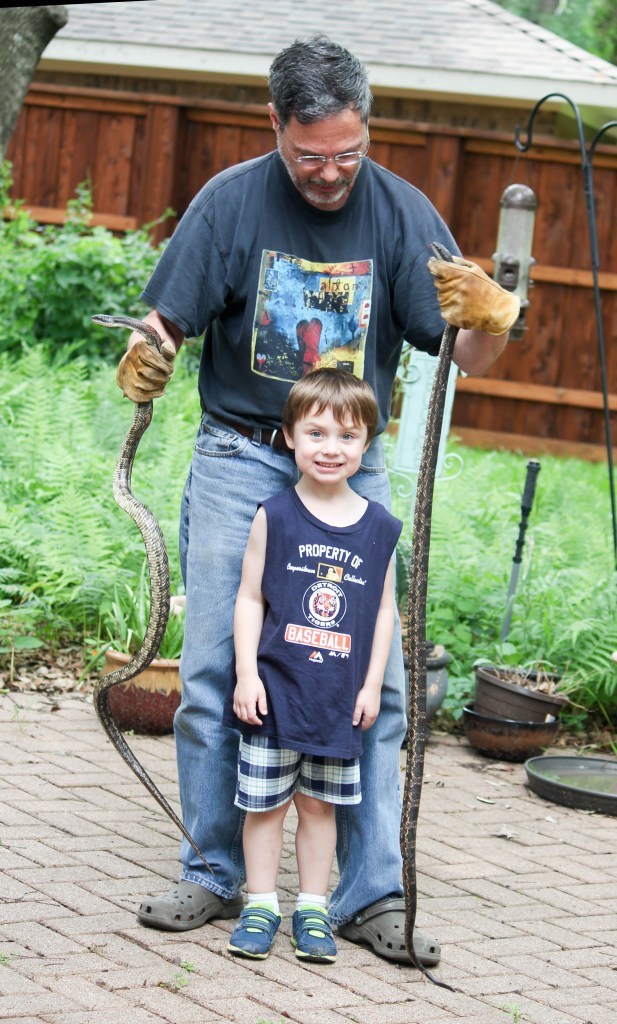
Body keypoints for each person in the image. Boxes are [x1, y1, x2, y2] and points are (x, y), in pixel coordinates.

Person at [118, 35, 519, 964]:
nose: (331, 172)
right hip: (241, 460)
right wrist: (144, 354)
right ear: (275, 126)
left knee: (371, 687)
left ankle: (368, 895)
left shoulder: (400, 212)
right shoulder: (229, 202)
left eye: (347, 151)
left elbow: (461, 353)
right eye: (310, 156)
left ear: (364, 129)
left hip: (352, 469)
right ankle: (216, 872)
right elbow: (163, 320)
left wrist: (494, 318)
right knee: (217, 671)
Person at [222, 369, 402, 962]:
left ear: (366, 444)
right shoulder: (274, 514)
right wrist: (247, 673)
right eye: (317, 433)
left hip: (336, 699)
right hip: (276, 693)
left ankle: (313, 912)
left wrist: (373, 683)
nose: (331, 448)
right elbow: (249, 598)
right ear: (291, 437)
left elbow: (382, 614)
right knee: (265, 804)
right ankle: (260, 905)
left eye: (347, 436)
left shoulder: (379, 528)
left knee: (320, 807)